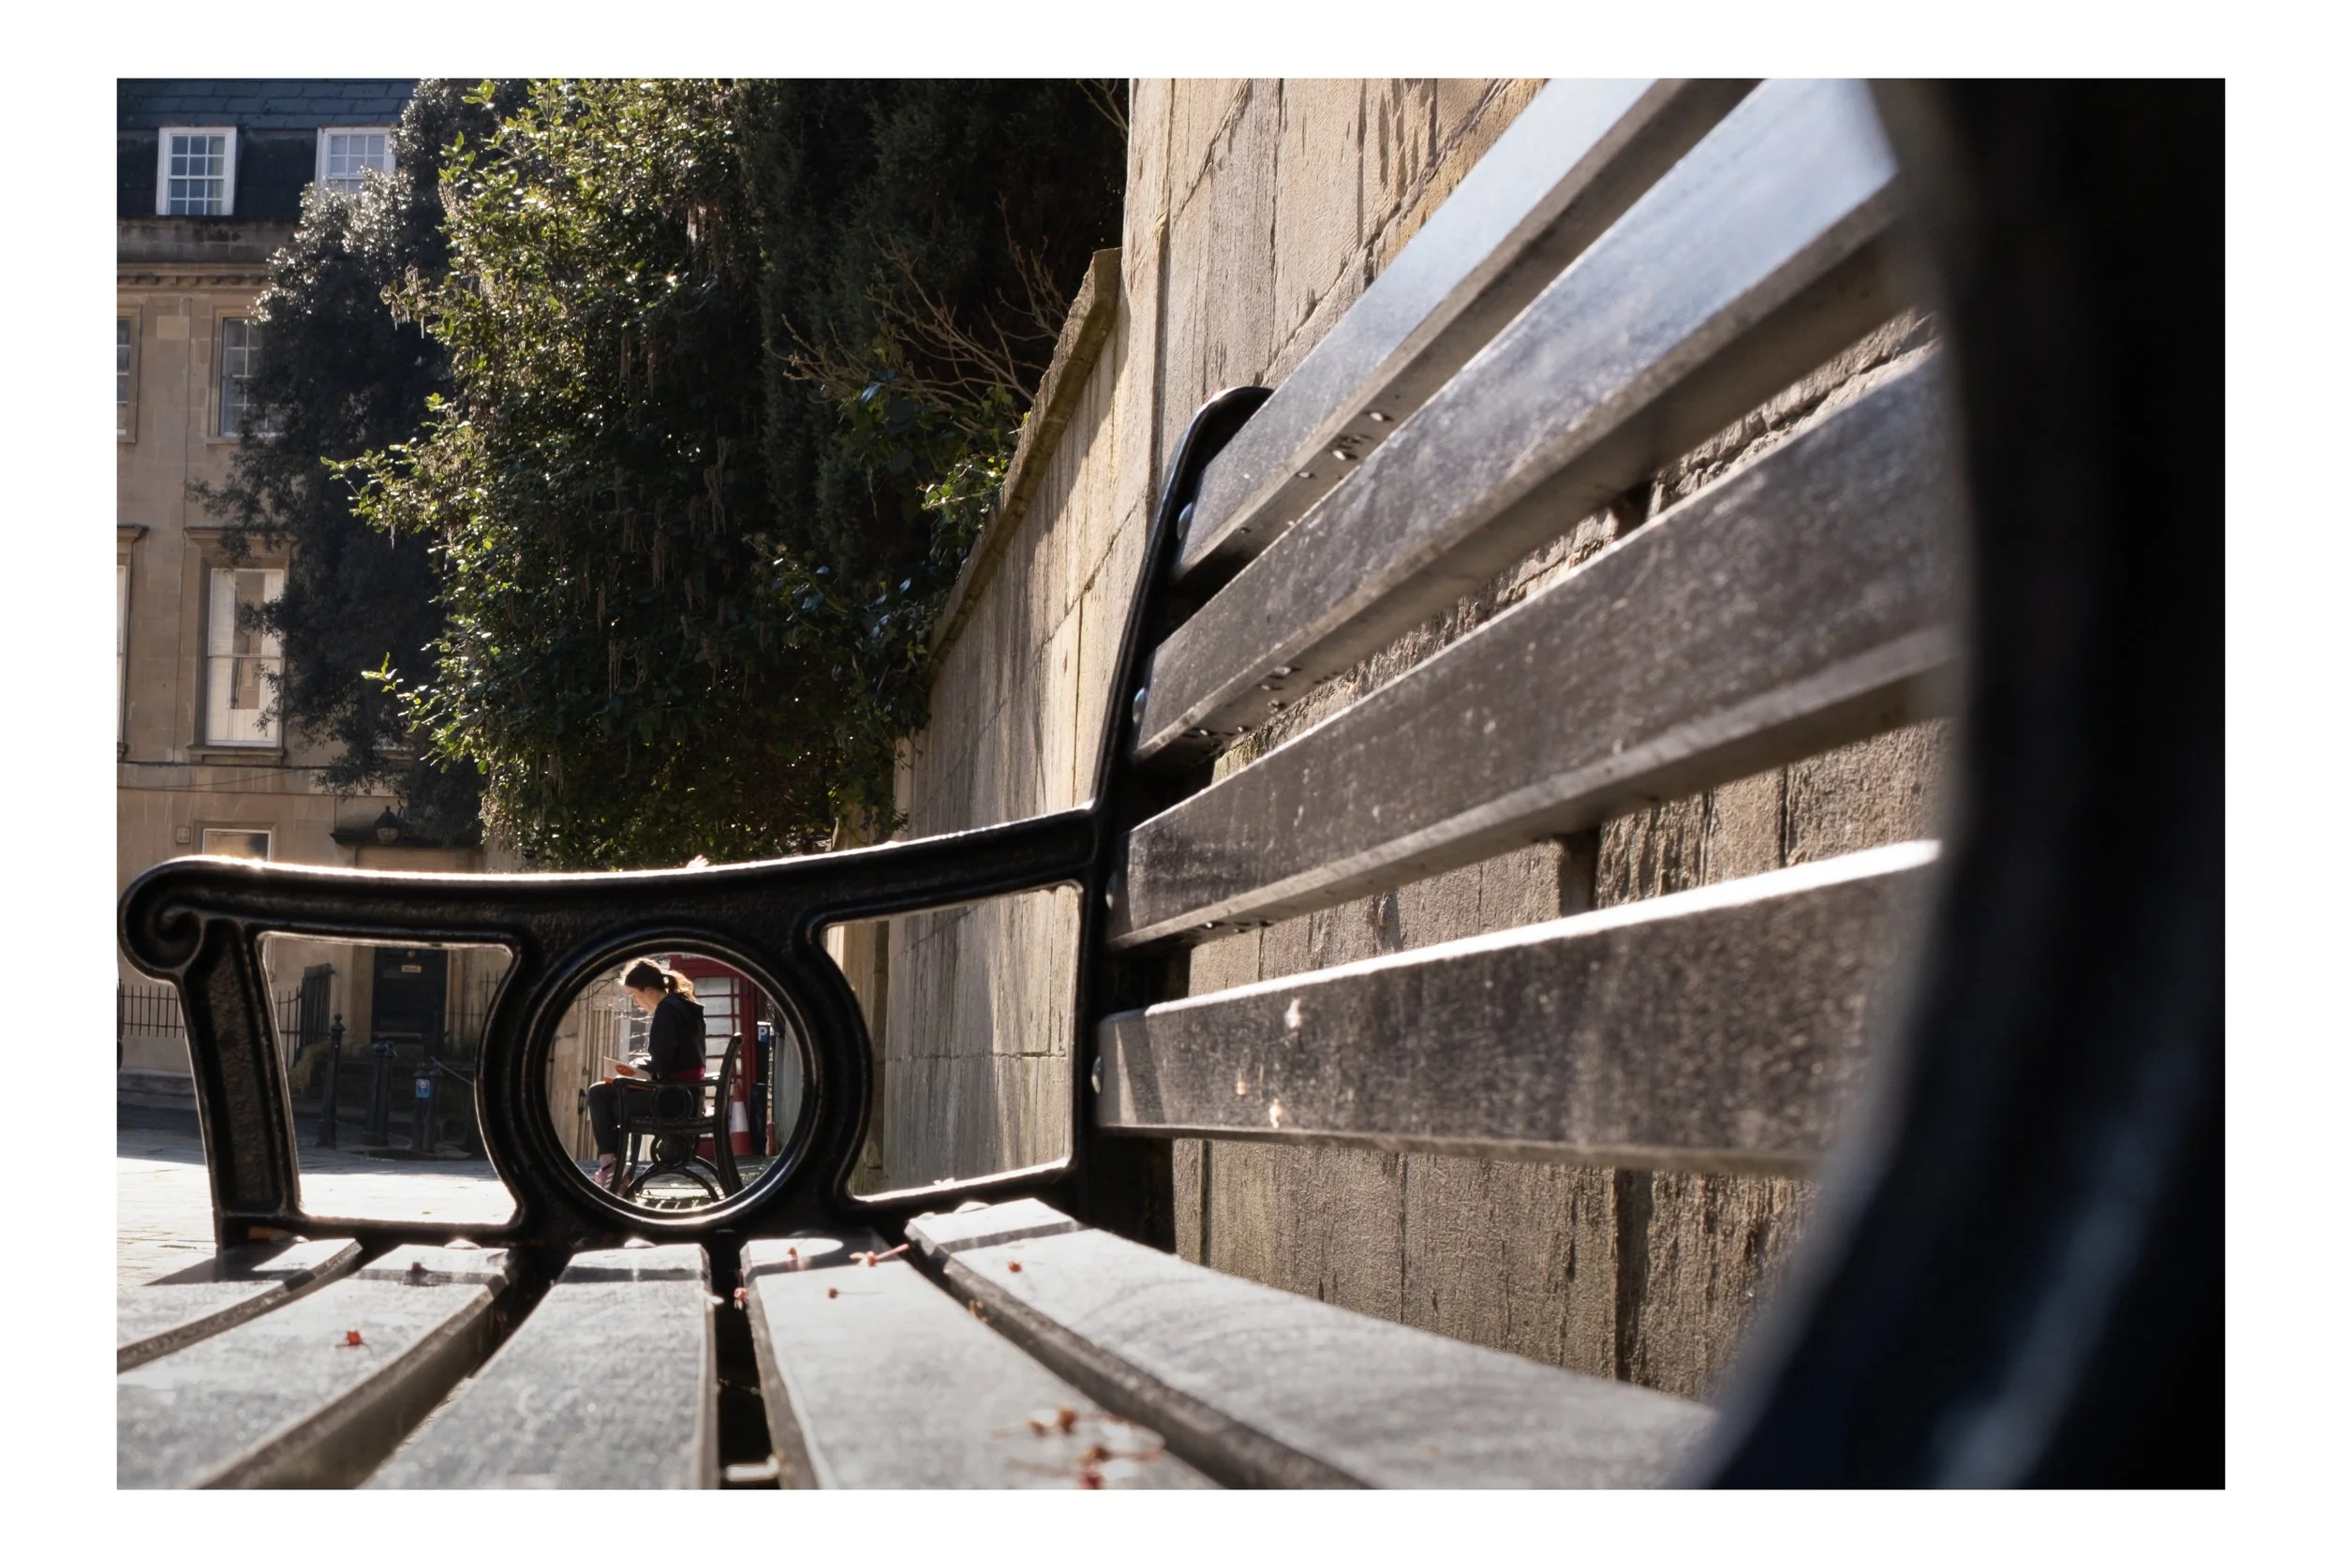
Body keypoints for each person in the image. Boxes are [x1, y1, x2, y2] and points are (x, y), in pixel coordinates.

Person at [584, 959, 706, 1193]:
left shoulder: (667, 1011)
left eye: (634, 995)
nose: (635, 1002)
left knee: (599, 1095)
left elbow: (660, 1063)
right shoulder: (682, 1005)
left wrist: (634, 1068)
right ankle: (615, 1170)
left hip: (673, 1099)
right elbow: (672, 1057)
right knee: (604, 1096)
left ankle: (611, 1167)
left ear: (648, 990)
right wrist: (638, 1065)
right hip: (687, 1095)